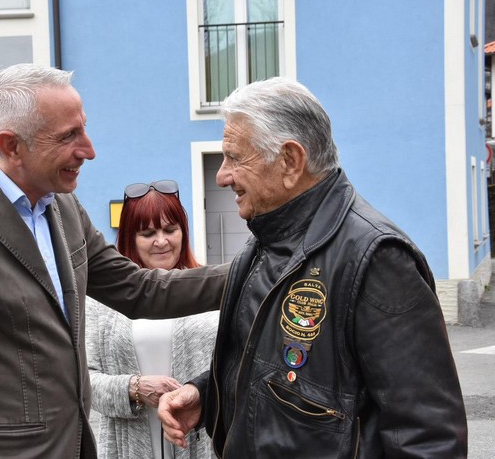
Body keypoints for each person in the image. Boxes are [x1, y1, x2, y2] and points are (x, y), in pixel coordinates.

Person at [0, 63, 229, 458]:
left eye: (84, 129)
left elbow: (140, 290)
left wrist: (255, 269)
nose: (89, 150)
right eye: (68, 136)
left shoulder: (61, 207)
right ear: (12, 146)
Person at [158, 77, 468, 458]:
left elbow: (429, 439)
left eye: (235, 158)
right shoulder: (264, 243)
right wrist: (207, 394)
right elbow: (283, 372)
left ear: (290, 161)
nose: (222, 176)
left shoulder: (377, 259)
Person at [86, 180, 218, 459]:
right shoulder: (102, 300)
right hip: (128, 449)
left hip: (201, 446)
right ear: (130, 237)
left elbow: (233, 368)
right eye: (148, 233)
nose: (161, 241)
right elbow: (85, 381)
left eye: (170, 230)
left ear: (183, 232)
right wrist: (133, 388)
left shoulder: (209, 290)